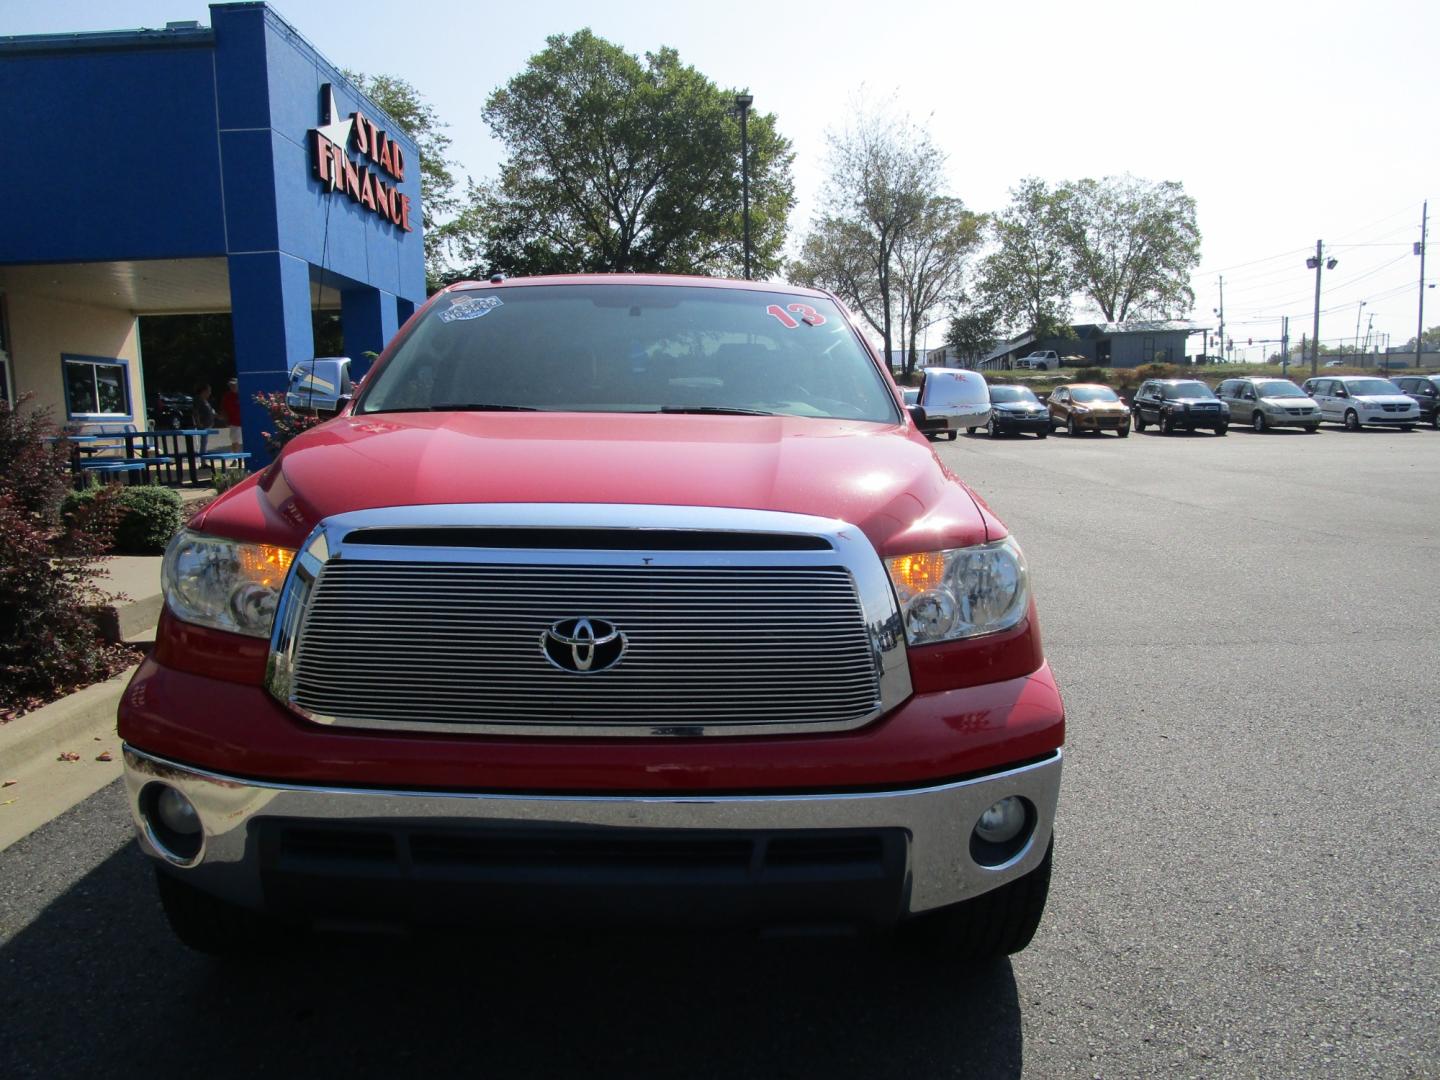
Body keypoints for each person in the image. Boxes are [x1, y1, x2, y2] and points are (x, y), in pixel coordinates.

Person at [192, 384, 216, 454]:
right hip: (203, 425)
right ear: (204, 391)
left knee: (205, 443)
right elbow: (195, 412)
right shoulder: (198, 399)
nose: (210, 393)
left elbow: (211, 411)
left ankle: (204, 460)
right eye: (209, 391)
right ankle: (203, 462)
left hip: (208, 425)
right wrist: (198, 423)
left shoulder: (205, 400)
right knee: (203, 444)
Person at [220, 377, 242, 450]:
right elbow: (224, 409)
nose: (232, 387)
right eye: (231, 385)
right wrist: (226, 420)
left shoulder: (242, 395)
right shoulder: (227, 396)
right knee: (235, 440)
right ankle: (235, 459)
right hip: (234, 423)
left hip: (244, 422)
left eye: (234, 385)